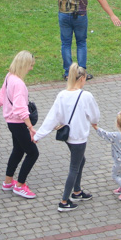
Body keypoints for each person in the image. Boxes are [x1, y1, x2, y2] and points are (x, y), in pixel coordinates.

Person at [16, 0, 121, 80]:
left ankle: (68, 73)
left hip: (64, 13)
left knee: (66, 43)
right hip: (80, 15)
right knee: (81, 42)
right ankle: (81, 73)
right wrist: (112, 15)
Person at [34, 64, 101, 212]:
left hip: (68, 136)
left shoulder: (62, 95)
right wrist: (95, 122)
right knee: (74, 167)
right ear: (82, 78)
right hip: (79, 137)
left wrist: (39, 134)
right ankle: (64, 201)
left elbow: (52, 117)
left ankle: (77, 191)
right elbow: (95, 116)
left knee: (81, 160)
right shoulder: (86, 96)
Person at [0, 51, 41, 199]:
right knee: (33, 153)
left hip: (11, 122)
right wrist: (30, 127)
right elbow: (20, 109)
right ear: (24, 65)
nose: (31, 69)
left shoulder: (9, 77)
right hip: (18, 123)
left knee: (18, 150)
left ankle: (8, 182)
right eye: (30, 65)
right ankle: (20, 185)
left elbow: (1, 96)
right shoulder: (19, 83)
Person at [95, 111, 121, 201]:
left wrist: (96, 127)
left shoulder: (116, 136)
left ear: (117, 124)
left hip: (119, 160)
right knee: (119, 172)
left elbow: (105, 134)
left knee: (114, 174)